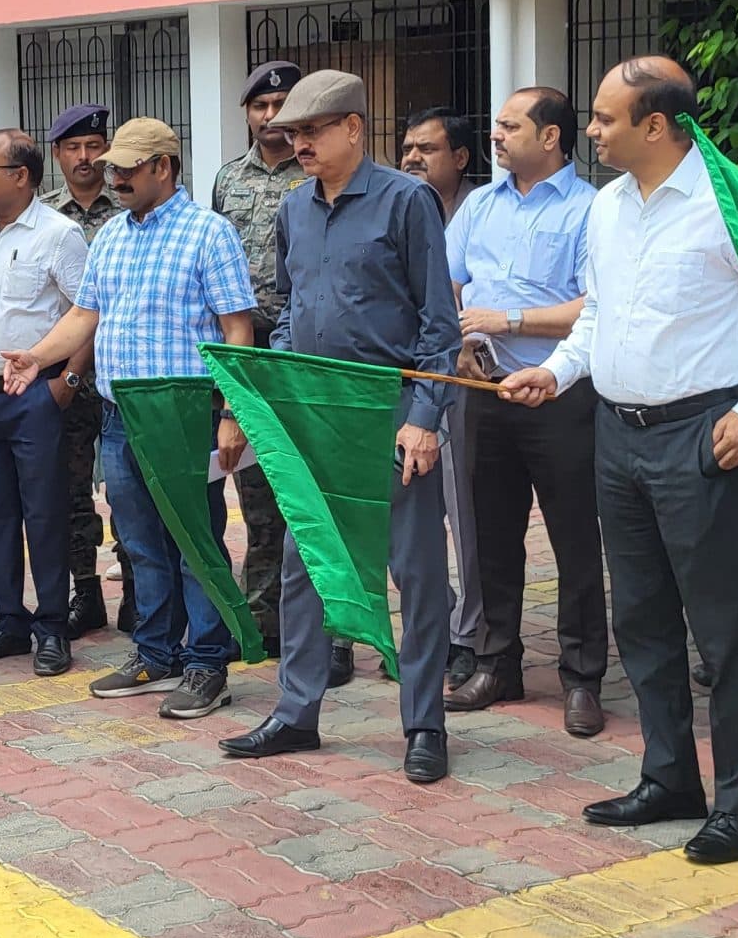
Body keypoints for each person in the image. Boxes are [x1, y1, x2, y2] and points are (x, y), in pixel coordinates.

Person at [500, 58, 738, 867]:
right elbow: (600, 316)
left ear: (655, 126)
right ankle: (669, 776)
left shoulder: (737, 204)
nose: (590, 131)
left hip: (701, 431)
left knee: (722, 625)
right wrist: (554, 373)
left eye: (603, 118)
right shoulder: (609, 209)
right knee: (641, 615)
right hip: (615, 433)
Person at [219, 74, 462, 781]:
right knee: (304, 566)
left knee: (414, 573)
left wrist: (423, 419)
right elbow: (291, 308)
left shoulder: (406, 201)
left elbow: (438, 327)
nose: (297, 144)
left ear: (353, 129)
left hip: (385, 411)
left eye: (312, 131)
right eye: (291, 134)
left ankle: (424, 724)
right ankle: (297, 711)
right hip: (314, 413)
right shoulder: (295, 211)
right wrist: (284, 380)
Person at [3, 118, 258, 722]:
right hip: (121, 416)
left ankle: (208, 664)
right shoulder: (114, 235)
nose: (111, 175)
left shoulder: (209, 235)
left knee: (195, 542)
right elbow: (86, 315)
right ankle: (156, 653)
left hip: (186, 416)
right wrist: (38, 356)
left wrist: (232, 413)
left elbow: (237, 331)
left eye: (125, 168)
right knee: (141, 543)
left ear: (163, 167)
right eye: (112, 166)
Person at [446, 86, 605, 737]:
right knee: (489, 536)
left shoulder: (594, 210)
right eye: (497, 125)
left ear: (550, 137)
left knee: (574, 537)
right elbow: (450, 279)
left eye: (511, 125)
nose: (496, 135)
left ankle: (583, 677)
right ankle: (497, 661)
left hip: (562, 390)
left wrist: (508, 318)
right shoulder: (480, 205)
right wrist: (465, 338)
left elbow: (597, 304)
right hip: (485, 390)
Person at [0, 130, 91, 679]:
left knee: (45, 512)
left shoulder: (59, 235)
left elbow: (89, 314)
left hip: (38, 394)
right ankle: (10, 619)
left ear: (21, 176)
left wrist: (66, 385)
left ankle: (52, 626)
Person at [210, 61, 304, 658]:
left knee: (308, 491)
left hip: (302, 347)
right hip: (246, 346)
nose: (270, 118)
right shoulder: (226, 179)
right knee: (256, 494)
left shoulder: (315, 173)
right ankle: (264, 617)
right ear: (246, 112)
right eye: (260, 107)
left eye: (280, 106)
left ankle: (329, 631)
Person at [400, 108, 485, 691]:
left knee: (468, 517)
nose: (413, 158)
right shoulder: (396, 205)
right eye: (407, 147)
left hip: (474, 381)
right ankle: (440, 625)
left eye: (427, 149)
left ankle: (470, 635)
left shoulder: (476, 210)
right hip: (414, 385)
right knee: (414, 524)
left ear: (460, 157)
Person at [47, 104, 126, 635]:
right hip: (69, 382)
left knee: (128, 492)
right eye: (73, 148)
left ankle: (140, 590)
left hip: (121, 375)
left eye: (94, 145)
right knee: (72, 491)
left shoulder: (129, 209)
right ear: (56, 155)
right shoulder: (45, 217)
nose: (85, 157)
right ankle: (85, 593)